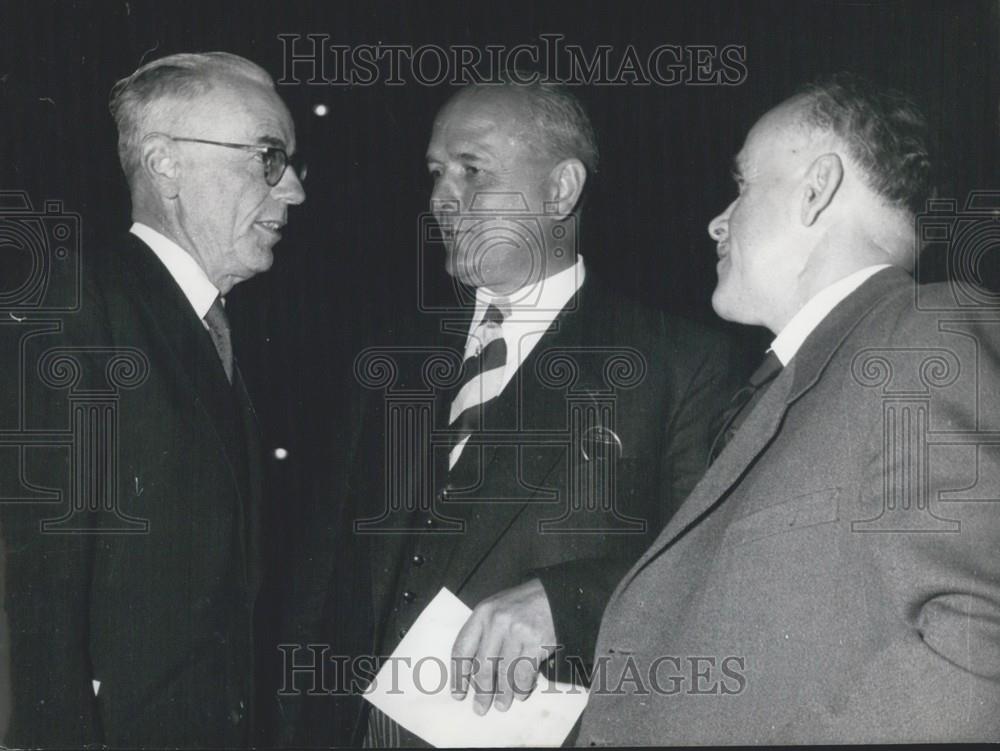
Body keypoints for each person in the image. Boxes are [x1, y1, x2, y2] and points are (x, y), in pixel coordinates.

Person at [282, 78, 740, 747]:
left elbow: (710, 572)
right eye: (436, 172)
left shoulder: (679, 363)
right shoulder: (389, 354)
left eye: (473, 171)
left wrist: (566, 602)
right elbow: (316, 584)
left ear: (561, 190)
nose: (442, 197)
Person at [576, 74, 1000, 745]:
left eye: (743, 184)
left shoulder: (923, 337)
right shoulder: (790, 386)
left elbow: (986, 655)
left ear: (815, 190)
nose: (718, 219)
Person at [1, 51, 305, 747]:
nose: (292, 190)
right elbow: (37, 590)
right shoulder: (77, 309)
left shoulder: (211, 328)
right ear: (166, 163)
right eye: (267, 157)